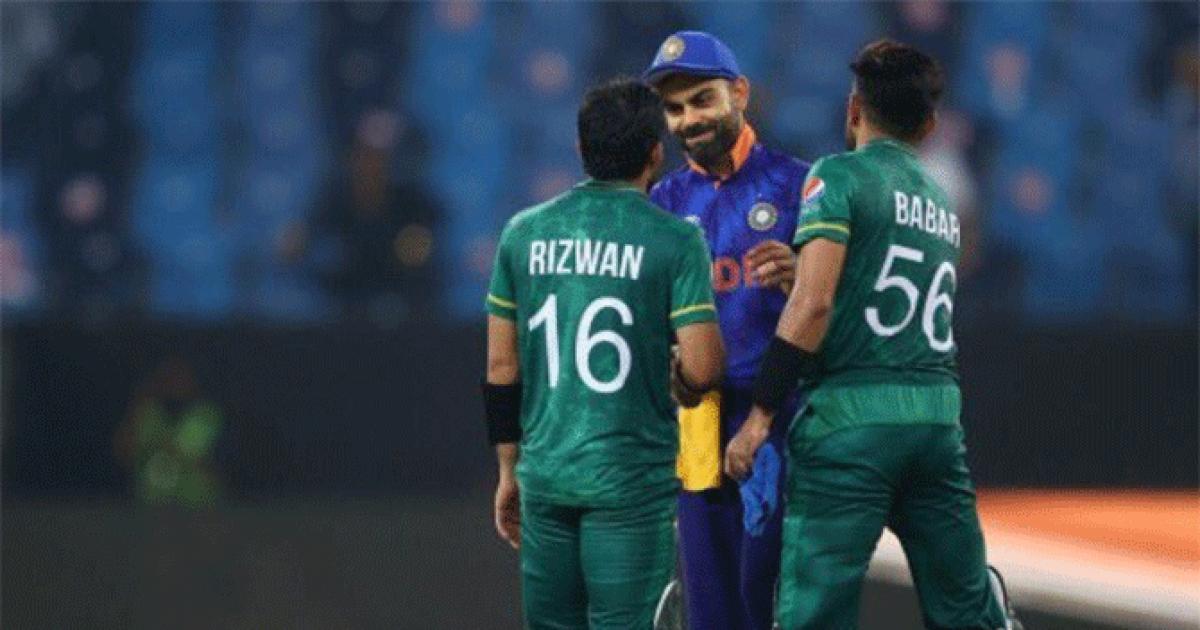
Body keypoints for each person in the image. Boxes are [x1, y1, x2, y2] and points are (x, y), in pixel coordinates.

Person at [724, 40, 1019, 629]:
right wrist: (806, 273)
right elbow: (875, 297)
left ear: (853, 109)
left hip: (851, 426)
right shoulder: (941, 200)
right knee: (968, 611)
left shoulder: (838, 175)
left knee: (814, 613)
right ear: (929, 125)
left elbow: (814, 306)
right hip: (936, 424)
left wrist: (760, 414)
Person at [483, 78, 725, 629]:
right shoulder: (675, 240)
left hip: (546, 479)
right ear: (655, 153)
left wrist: (508, 469)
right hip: (632, 485)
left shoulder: (522, 233)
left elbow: (501, 367)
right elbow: (704, 367)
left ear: (580, 149)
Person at [642, 31, 810, 630]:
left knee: (773, 602)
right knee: (711, 605)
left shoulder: (799, 185)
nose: (688, 120)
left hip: (780, 420)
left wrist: (803, 279)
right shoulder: (662, 202)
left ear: (739, 92)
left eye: (701, 100)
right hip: (698, 419)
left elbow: (837, 315)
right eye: (674, 109)